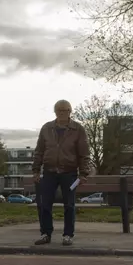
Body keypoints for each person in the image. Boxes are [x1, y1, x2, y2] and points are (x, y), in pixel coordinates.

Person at [32, 99, 91, 246]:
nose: (62, 113)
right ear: (55, 112)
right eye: (59, 110)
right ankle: (45, 233)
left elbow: (84, 153)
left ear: (70, 111)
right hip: (49, 172)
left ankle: (68, 235)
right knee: (45, 204)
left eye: (65, 110)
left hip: (69, 173)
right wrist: (36, 170)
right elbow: (39, 151)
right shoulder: (46, 128)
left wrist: (83, 173)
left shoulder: (78, 129)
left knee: (69, 205)